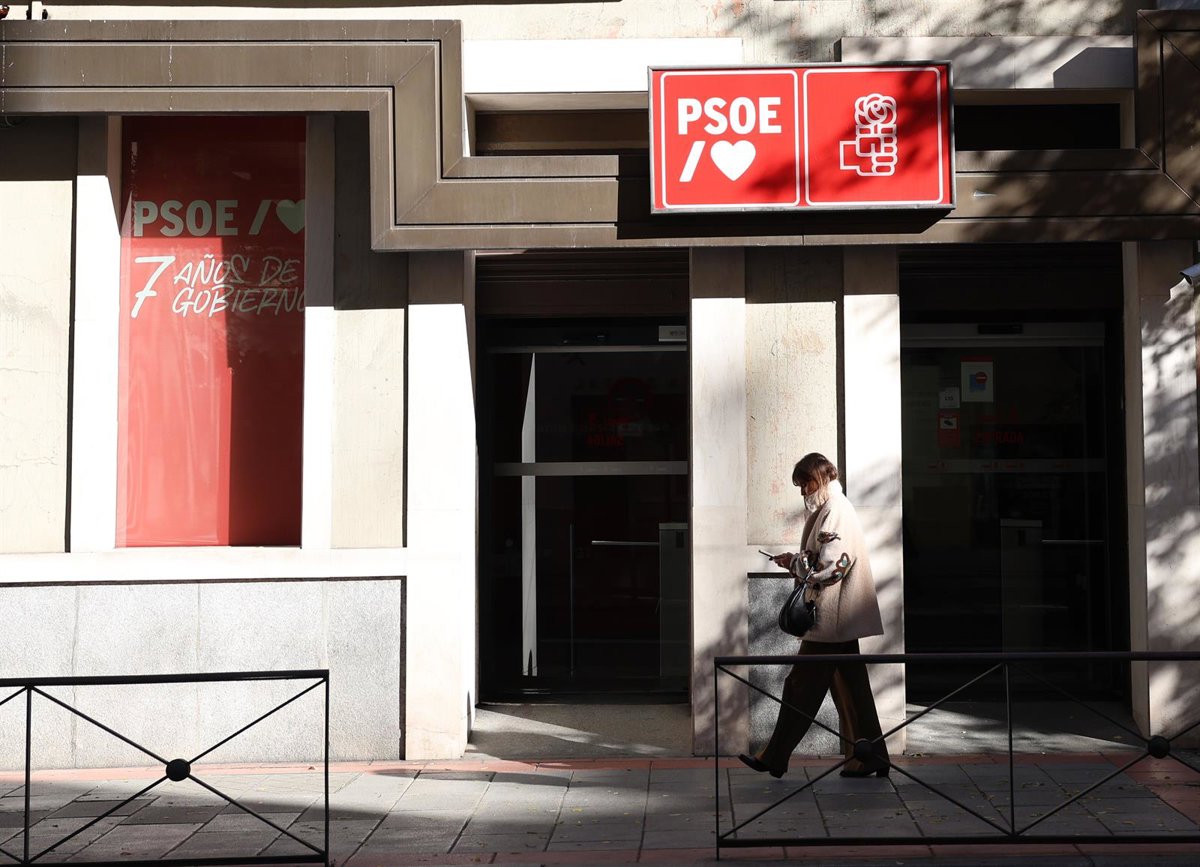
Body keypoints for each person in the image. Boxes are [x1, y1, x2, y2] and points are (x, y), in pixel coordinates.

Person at [739, 452, 891, 779]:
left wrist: (796, 563)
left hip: (831, 618)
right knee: (852, 690)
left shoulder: (835, 510)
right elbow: (826, 558)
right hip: (840, 618)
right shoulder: (831, 508)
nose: (802, 491)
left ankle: (774, 757)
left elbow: (834, 566)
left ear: (818, 479)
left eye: (804, 483)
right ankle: (872, 757)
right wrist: (794, 559)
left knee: (800, 686)